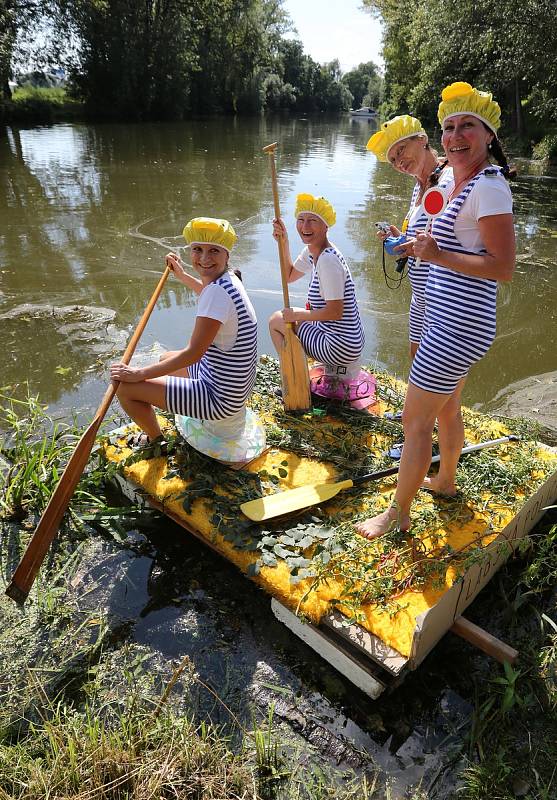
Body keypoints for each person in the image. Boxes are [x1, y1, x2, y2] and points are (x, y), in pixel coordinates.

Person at [356, 81, 515, 539]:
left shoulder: (489, 187)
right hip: (445, 314)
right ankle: (444, 481)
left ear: (488, 136)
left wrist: (436, 255)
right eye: (449, 126)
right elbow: (439, 238)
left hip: (457, 323)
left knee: (414, 420)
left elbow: (503, 268)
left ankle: (397, 515)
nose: (456, 135)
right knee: (446, 408)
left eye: (467, 126)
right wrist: (415, 245)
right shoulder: (451, 179)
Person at [110, 217, 261, 462]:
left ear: (226, 254)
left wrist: (139, 374)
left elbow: (193, 353)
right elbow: (208, 294)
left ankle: (154, 439)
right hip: (232, 386)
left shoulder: (217, 293)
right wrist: (180, 274)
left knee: (125, 388)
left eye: (213, 251)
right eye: (197, 250)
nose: (203, 258)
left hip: (220, 399)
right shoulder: (230, 279)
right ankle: (170, 404)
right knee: (166, 357)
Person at [367, 115, 453, 358]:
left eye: (402, 150)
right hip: (420, 297)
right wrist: (399, 238)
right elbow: (424, 233)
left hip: (442, 300)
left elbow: (454, 240)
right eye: (393, 159)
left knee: (432, 378)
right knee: (416, 364)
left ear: (423, 139)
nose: (399, 162)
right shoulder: (419, 183)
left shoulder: (449, 179)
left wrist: (416, 246)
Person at [268, 193, 365, 382]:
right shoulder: (312, 251)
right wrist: (284, 240)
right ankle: (297, 370)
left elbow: (335, 312)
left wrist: (297, 314)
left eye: (312, 221)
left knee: (275, 321)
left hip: (341, 346)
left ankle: (295, 379)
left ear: (325, 225)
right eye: (301, 220)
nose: (305, 227)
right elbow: (289, 276)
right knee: (288, 318)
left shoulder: (328, 260)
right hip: (343, 340)